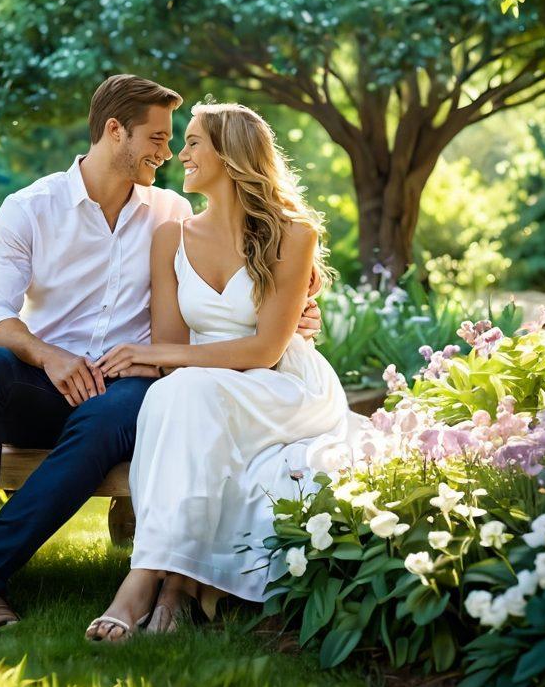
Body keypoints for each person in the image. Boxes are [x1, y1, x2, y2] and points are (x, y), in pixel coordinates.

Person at [0, 77, 323, 627]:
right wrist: (48, 356)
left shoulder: (169, 212)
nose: (167, 154)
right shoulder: (31, 209)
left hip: (129, 386)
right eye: (158, 139)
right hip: (48, 381)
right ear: (115, 132)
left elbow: (239, 272)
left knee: (105, 416)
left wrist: (297, 311)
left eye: (175, 140)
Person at [85, 102, 362, 641]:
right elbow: (169, 345)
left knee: (183, 389)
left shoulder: (293, 233)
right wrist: (159, 356)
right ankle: (175, 585)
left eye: (192, 143)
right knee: (179, 394)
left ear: (230, 154)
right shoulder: (172, 236)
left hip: (281, 383)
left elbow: (263, 350)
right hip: (202, 385)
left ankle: (142, 582)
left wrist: (156, 357)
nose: (178, 155)